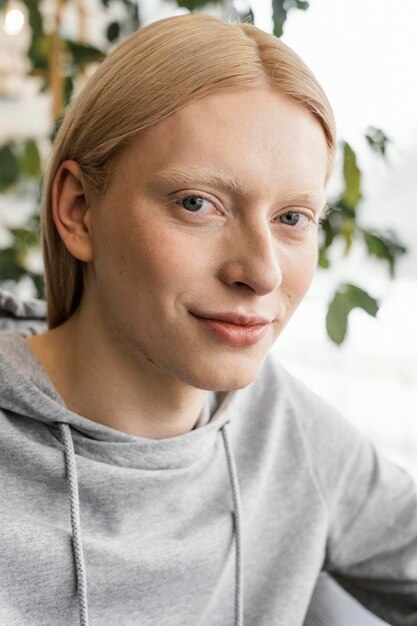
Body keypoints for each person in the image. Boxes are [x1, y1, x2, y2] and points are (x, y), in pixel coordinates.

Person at [0, 12, 415, 626]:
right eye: (198, 203)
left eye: (293, 218)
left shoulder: (286, 432)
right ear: (80, 210)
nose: (263, 273)